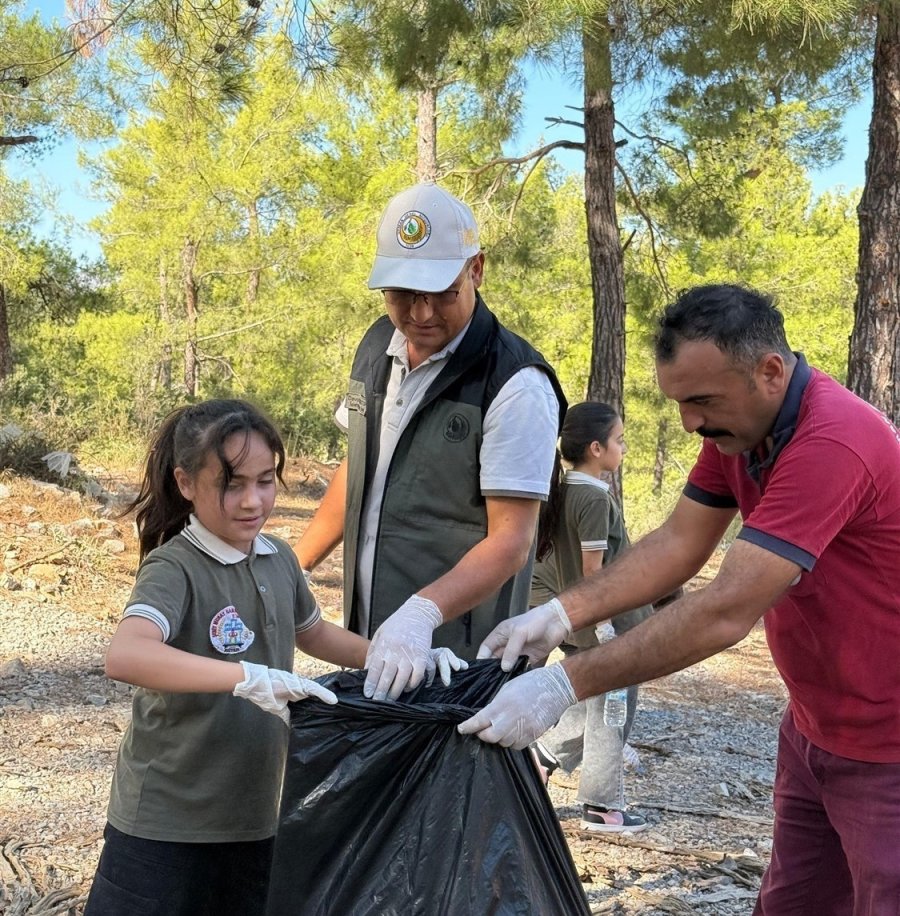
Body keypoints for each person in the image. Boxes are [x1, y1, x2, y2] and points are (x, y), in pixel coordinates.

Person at [459, 284, 900, 915]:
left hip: (887, 747)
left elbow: (725, 610)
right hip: (814, 727)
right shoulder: (742, 433)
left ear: (770, 372)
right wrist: (561, 614)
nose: (690, 422)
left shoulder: (832, 442)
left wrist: (564, 686)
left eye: (701, 401)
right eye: (680, 403)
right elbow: (677, 543)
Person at [84, 399, 463, 916]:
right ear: (186, 482)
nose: (252, 501)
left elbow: (315, 634)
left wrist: (396, 655)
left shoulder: (278, 557)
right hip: (165, 823)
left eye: (265, 481)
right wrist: (246, 676)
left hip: (257, 816)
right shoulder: (177, 566)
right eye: (232, 483)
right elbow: (126, 655)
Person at [294, 181, 566, 702]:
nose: (420, 314)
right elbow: (359, 467)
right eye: (402, 293)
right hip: (369, 641)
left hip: (456, 661)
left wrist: (422, 613)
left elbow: (511, 541)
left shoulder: (514, 384)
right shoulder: (377, 345)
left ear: (476, 269)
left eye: (440, 291)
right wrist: (291, 565)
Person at [530, 401, 652, 833]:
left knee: (597, 700)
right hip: (610, 622)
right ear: (597, 448)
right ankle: (602, 805)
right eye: (619, 440)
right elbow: (594, 571)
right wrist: (604, 627)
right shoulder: (593, 499)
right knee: (614, 708)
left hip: (586, 618)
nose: (623, 448)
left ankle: (543, 755)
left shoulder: (564, 490)